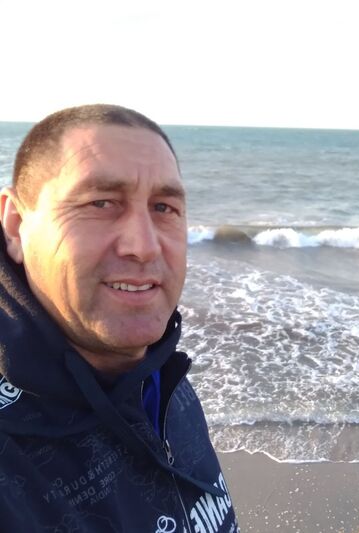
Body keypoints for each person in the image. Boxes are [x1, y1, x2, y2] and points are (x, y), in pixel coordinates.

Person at [0, 104, 239, 532]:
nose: (144, 246)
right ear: (17, 225)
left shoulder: (162, 375)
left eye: (164, 207)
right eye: (101, 202)